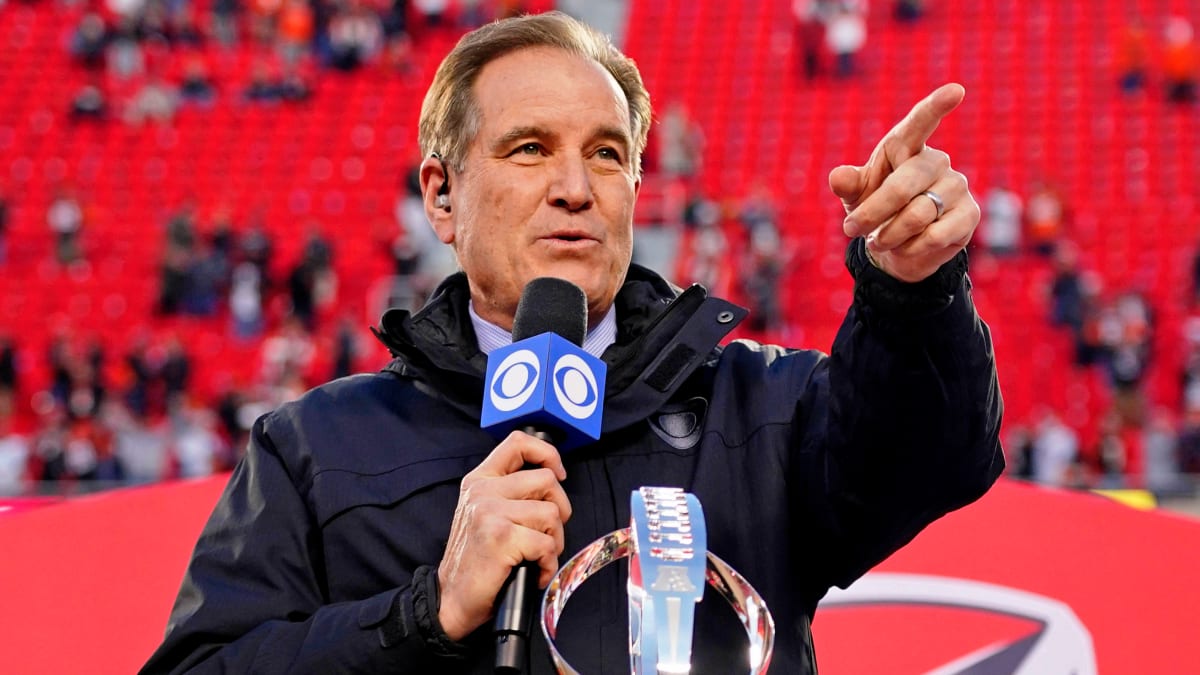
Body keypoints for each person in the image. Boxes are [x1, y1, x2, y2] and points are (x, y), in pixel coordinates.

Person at [143, 11, 1002, 674]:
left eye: (605, 154)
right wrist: (423, 611)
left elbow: (938, 456)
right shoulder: (315, 451)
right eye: (529, 148)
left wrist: (911, 289)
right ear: (441, 196)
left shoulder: (761, 406)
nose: (572, 188)